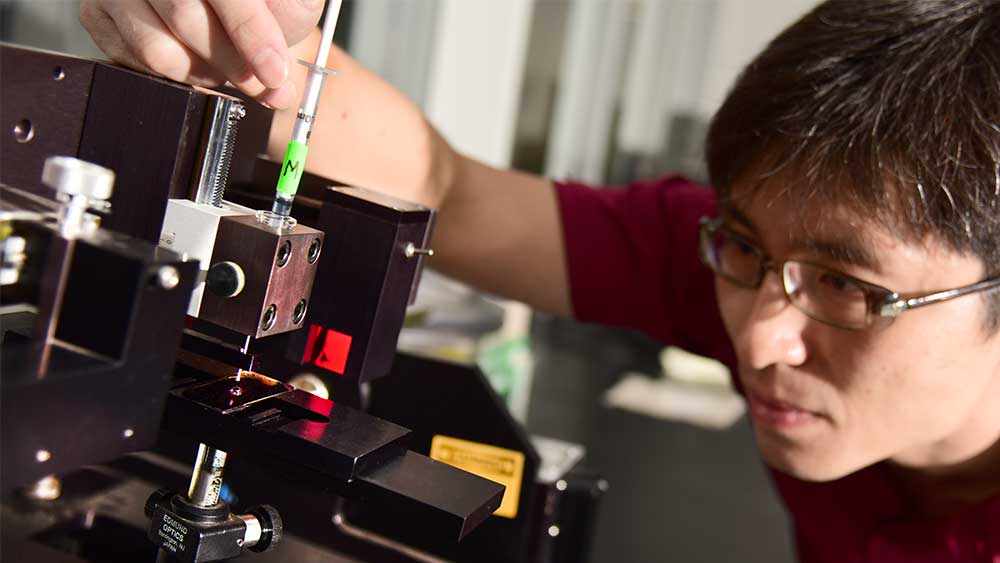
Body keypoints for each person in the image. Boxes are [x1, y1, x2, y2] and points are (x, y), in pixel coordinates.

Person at [81, 0, 1000, 560]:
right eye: (749, 250)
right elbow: (457, 197)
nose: (759, 336)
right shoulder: (753, 263)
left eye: (849, 288)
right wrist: (243, 50)